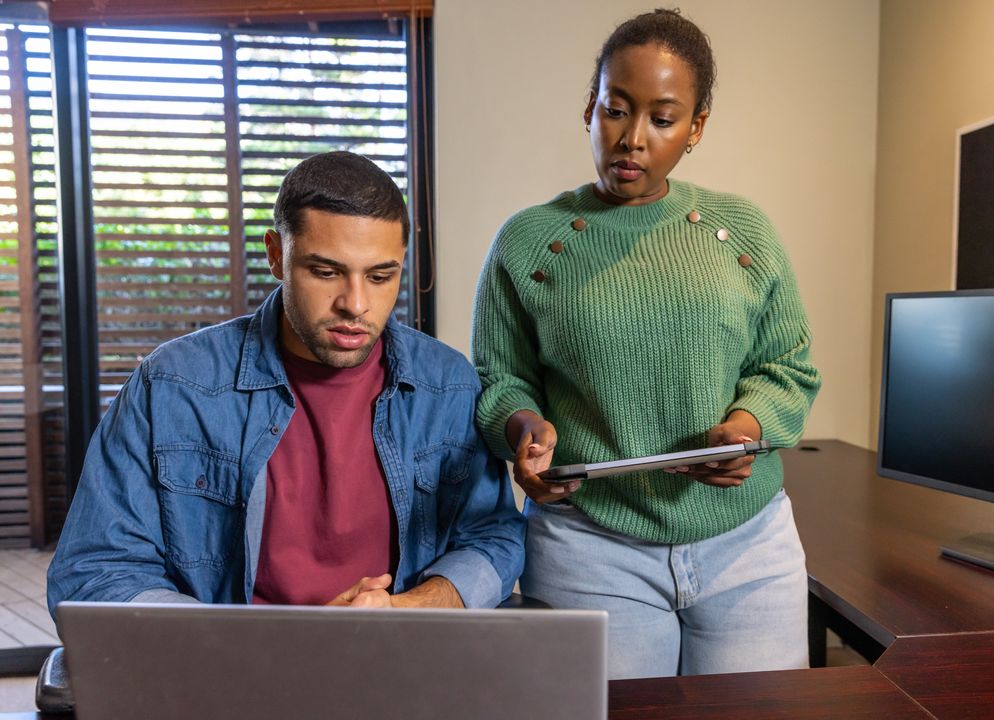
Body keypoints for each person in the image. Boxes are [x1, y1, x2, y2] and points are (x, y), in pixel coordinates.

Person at [471, 9, 821, 679]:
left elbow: (787, 366)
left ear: (696, 127)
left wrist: (747, 427)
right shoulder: (528, 242)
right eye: (615, 110)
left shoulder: (742, 231)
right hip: (589, 550)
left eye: (662, 119)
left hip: (749, 549)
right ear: (589, 107)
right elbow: (502, 382)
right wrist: (523, 430)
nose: (632, 139)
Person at [48, 151, 525, 616]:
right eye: (325, 271)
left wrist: (407, 608)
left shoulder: (447, 383)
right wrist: (253, 646)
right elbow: (96, 570)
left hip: (395, 660)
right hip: (228, 672)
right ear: (276, 255)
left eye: (381, 276)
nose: (356, 304)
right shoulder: (172, 384)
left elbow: (493, 536)